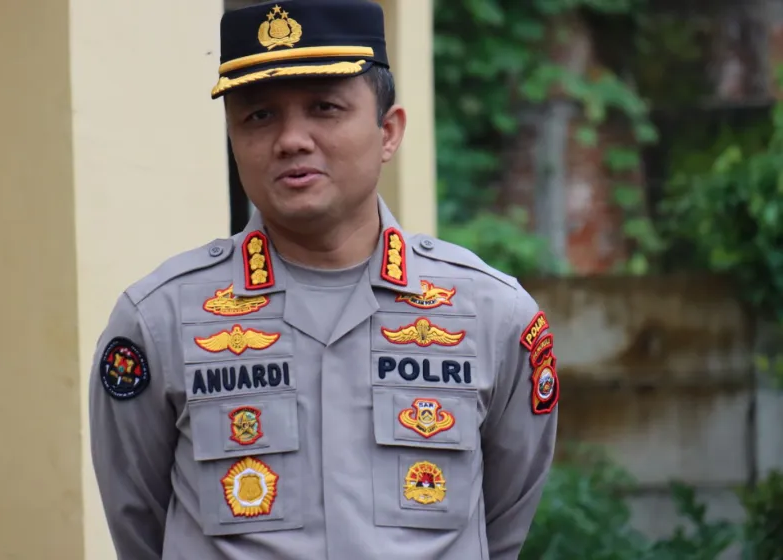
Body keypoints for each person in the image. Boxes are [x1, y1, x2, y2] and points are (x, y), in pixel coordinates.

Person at [88, 1, 559, 558]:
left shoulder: (492, 316)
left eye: (324, 107)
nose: (291, 139)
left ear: (388, 131)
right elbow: (140, 525)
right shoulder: (158, 320)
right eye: (259, 116)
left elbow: (501, 524)